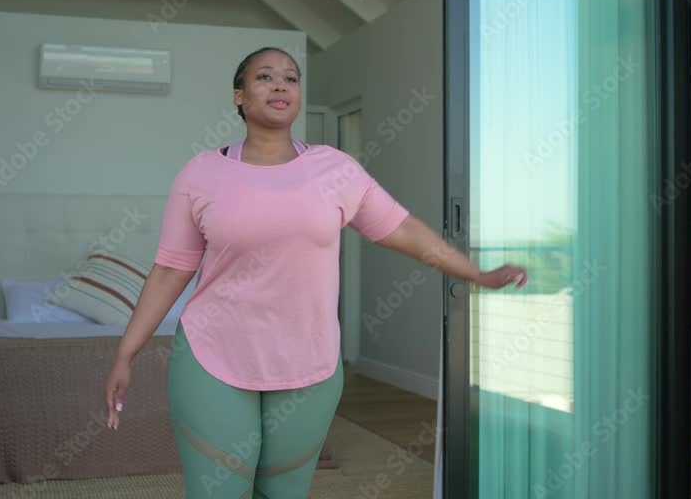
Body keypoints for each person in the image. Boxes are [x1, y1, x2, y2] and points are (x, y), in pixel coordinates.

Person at [103, 46, 528, 498]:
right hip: (212, 358)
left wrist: (476, 273)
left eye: (291, 77)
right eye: (265, 76)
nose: (281, 85)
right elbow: (171, 270)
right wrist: (126, 353)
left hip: (311, 364)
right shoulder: (201, 173)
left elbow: (403, 229)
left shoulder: (336, 169)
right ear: (238, 96)